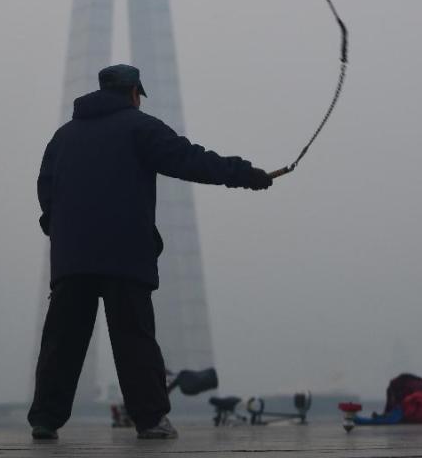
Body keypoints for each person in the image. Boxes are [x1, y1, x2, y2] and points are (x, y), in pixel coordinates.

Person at [28, 64, 273, 441]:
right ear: (132, 93)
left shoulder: (62, 137)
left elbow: (46, 190)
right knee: (134, 339)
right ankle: (151, 420)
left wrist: (57, 230)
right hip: (125, 253)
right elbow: (189, 159)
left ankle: (45, 420)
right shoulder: (139, 127)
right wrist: (245, 175)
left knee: (62, 340)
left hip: (72, 258)